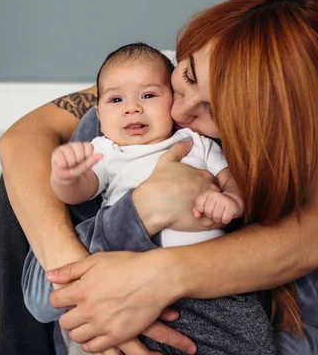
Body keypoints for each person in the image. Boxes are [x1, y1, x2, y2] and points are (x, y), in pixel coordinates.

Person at [0, 0, 318, 355]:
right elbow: (22, 140)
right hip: (113, 250)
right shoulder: (167, 71)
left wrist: (152, 278)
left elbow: (313, 238)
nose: (178, 113)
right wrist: (86, 293)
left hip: (226, 272)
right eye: (187, 77)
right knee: (41, 171)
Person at [23, 43, 280, 355]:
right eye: (116, 100)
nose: (132, 108)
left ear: (172, 101)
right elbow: (80, 191)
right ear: (99, 115)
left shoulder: (193, 142)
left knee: (251, 340)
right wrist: (65, 176)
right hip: (131, 278)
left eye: (148, 95)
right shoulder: (107, 151)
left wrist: (233, 201)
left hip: (209, 280)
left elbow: (229, 178)